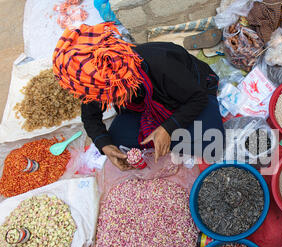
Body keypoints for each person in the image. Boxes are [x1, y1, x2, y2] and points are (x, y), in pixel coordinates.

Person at [53, 22, 224, 170]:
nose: (108, 100)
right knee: (116, 140)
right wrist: (104, 145)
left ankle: (167, 134)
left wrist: (168, 128)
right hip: (144, 105)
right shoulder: (93, 82)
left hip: (189, 95)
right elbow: (90, 117)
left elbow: (197, 98)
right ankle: (167, 136)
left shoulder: (162, 63)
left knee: (213, 143)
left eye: (113, 94)